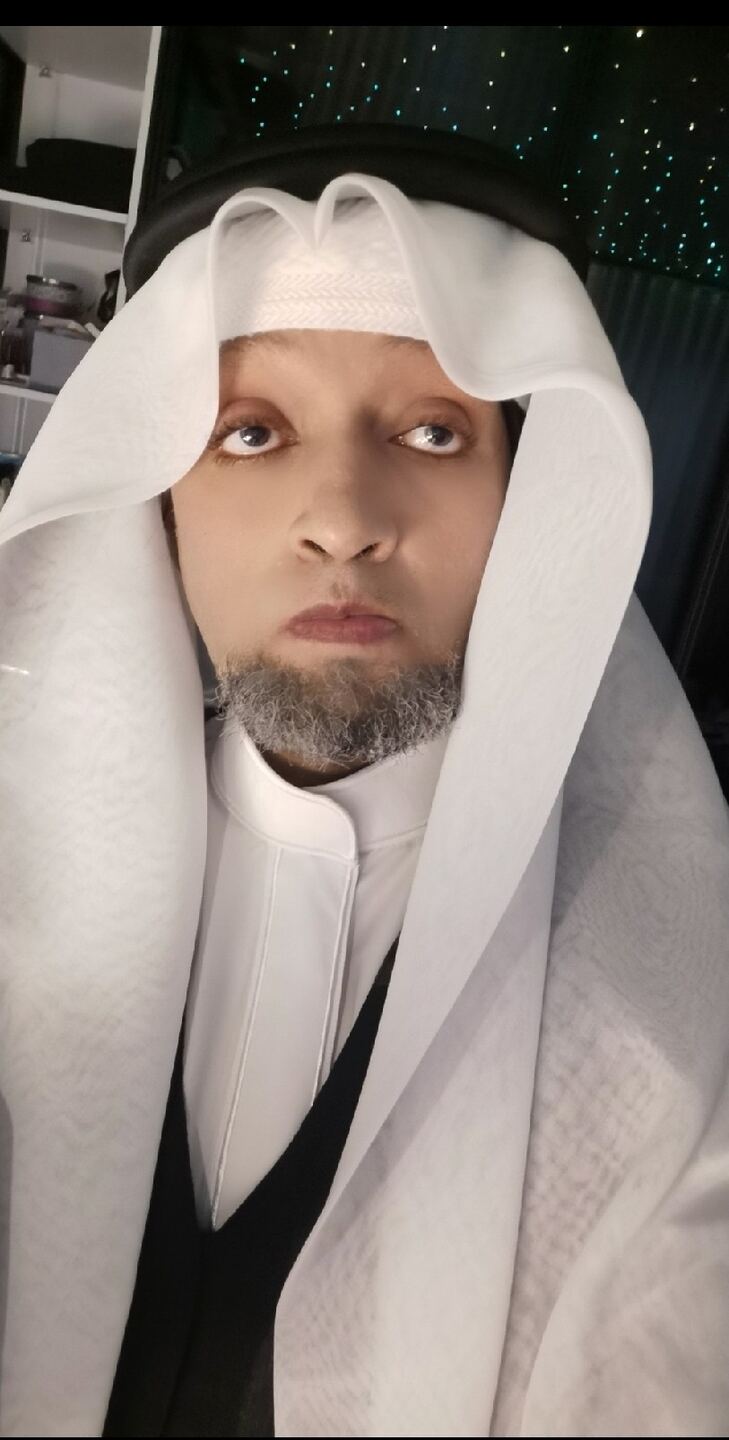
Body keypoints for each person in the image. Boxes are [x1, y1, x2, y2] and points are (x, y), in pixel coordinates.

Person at [0, 126, 728, 1438]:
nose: (342, 516)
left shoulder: (674, 1051)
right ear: (156, 501)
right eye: (251, 431)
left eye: (434, 430)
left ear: (528, 502)